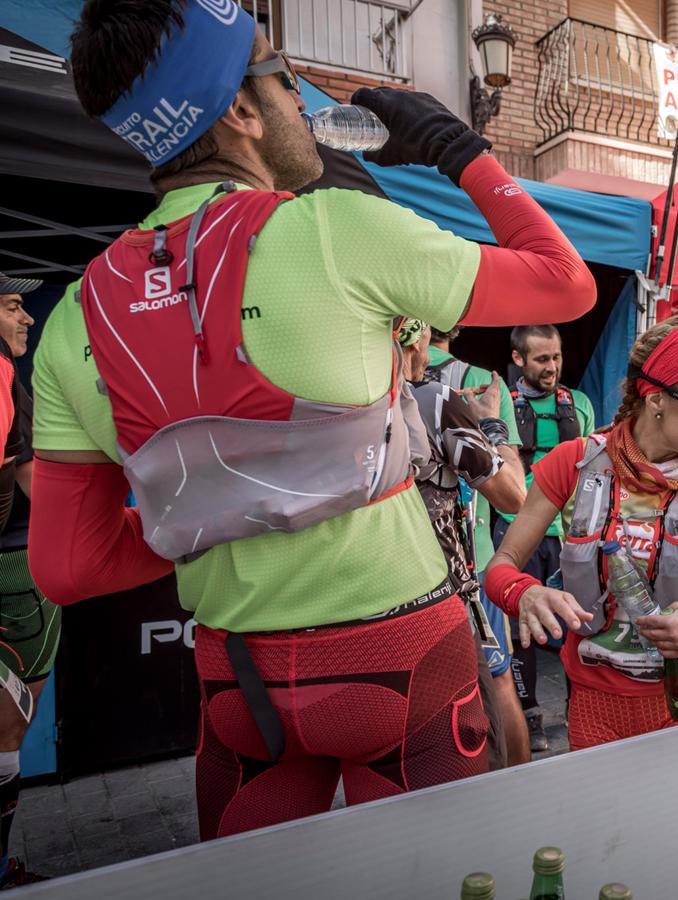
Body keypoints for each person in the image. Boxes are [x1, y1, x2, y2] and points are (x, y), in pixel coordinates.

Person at [37, 1, 593, 839]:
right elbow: (565, 285)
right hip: (401, 657)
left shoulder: (76, 314)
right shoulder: (335, 227)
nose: (305, 103)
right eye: (286, 79)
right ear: (240, 109)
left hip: (239, 681)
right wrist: (460, 153)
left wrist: (212, 514)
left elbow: (69, 569)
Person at [483, 313, 678, 749]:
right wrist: (526, 594)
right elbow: (501, 566)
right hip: (595, 708)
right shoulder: (572, 462)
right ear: (655, 398)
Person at [401, 320, 530, 767]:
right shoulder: (447, 397)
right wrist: (492, 422)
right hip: (452, 587)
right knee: (491, 694)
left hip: (373, 605)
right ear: (412, 334)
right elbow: (515, 496)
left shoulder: (344, 401)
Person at [494, 323, 595, 751]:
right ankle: (530, 714)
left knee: (582, 621)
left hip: (570, 531)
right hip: (520, 526)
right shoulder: (501, 401)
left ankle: (580, 711)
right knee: (523, 630)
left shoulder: (581, 403)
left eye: (555, 357)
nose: (551, 367)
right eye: (541, 359)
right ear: (518, 359)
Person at [0, 275, 53, 887]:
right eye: (14, 306)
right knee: (9, 727)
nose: (28, 317)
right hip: (14, 571)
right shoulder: (2, 376)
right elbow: (30, 484)